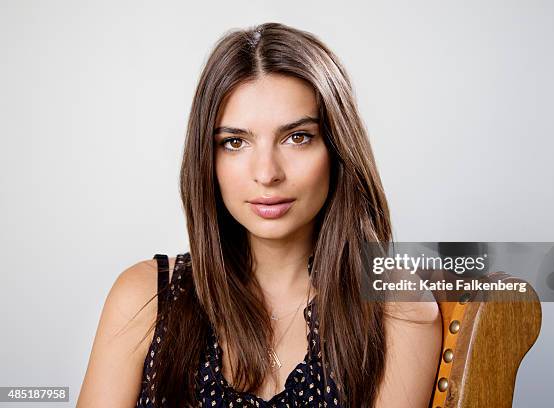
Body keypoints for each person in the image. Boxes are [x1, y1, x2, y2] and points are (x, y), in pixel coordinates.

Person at [77, 22, 441, 408]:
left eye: (297, 137)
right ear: (208, 160)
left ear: (337, 149)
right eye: (235, 142)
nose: (267, 173)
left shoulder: (395, 306)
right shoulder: (145, 297)